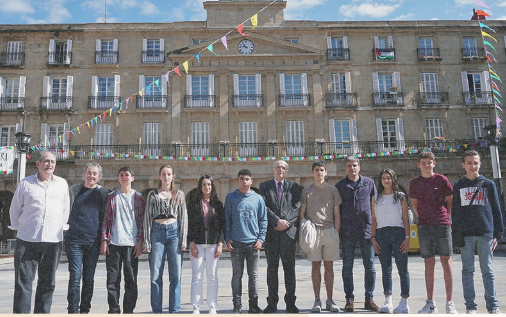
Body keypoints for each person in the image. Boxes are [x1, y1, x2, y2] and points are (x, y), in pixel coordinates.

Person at [9, 150, 70, 313]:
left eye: (52, 162)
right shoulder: (25, 184)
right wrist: (19, 228)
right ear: (38, 164)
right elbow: (14, 210)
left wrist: (59, 228)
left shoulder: (62, 184)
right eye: (46, 161)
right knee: (23, 283)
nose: (49, 165)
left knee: (48, 283)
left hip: (53, 241)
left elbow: (65, 210)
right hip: (27, 240)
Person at [452, 150, 503, 314]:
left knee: (487, 270)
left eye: (475, 162)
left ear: (480, 164)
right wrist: (456, 237)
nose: (472, 166)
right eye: (469, 163)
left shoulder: (488, 184)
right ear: (463, 165)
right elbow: (456, 212)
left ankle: (493, 305)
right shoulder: (458, 186)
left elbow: (497, 210)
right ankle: (470, 307)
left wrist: (498, 234)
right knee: (467, 271)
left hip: (485, 233)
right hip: (466, 234)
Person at [408, 151, 457, 314]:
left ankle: (450, 303)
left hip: (442, 225)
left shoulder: (442, 180)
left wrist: (444, 217)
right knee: (429, 263)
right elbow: (415, 205)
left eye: (429, 162)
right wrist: (424, 216)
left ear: (434, 164)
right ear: (418, 164)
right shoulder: (414, 183)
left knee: (446, 261)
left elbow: (450, 202)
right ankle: (431, 303)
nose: (426, 165)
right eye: (423, 162)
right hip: (424, 226)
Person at [335, 156, 379, 312]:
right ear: (345, 168)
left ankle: (369, 298)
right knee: (347, 266)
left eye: (354, 165)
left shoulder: (369, 184)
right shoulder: (340, 186)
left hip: (366, 230)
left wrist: (374, 229)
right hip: (347, 230)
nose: (352, 168)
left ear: (359, 167)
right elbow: (336, 211)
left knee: (370, 266)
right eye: (349, 166)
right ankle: (349, 299)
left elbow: (374, 208)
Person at [101, 165, 146, 314]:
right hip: (114, 243)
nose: (124, 177)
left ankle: (128, 310)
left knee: (131, 281)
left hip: (131, 244)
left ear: (132, 178)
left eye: (127, 175)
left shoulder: (138, 198)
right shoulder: (112, 197)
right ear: (118, 178)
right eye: (122, 175)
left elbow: (141, 222)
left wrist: (140, 241)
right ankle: (114, 309)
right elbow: (106, 220)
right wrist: (104, 240)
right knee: (112, 281)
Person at [144, 165, 188, 314]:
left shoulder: (179, 194)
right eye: (163, 174)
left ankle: (174, 310)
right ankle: (156, 310)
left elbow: (183, 218)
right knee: (156, 275)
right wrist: (147, 241)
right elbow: (147, 218)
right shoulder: (152, 195)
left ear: (173, 177)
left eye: (169, 174)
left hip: (174, 233)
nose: (166, 177)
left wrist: (183, 240)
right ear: (159, 177)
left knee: (176, 275)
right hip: (157, 233)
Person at [66, 163, 109, 314]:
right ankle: (73, 310)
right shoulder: (73, 191)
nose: (91, 176)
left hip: (93, 242)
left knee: (89, 278)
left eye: (95, 174)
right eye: (89, 173)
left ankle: (85, 310)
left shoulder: (103, 193)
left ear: (99, 177)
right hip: (74, 241)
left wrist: (104, 240)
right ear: (84, 174)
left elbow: (106, 217)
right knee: (75, 277)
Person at [299, 161, 341, 313]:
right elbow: (302, 212)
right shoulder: (307, 190)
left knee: (329, 266)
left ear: (326, 172)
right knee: (315, 266)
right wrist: (305, 228)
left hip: (329, 230)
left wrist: (336, 231)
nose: (319, 172)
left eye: (322, 170)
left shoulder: (333, 190)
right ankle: (317, 300)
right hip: (313, 231)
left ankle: (329, 300)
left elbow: (337, 213)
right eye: (316, 170)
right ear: (312, 172)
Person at [259, 160, 301, 314]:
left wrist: (285, 222)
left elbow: (297, 206)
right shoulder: (264, 186)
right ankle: (272, 303)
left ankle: (291, 303)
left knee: (289, 269)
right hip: (272, 232)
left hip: (288, 234)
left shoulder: (294, 187)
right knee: (272, 270)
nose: (280, 170)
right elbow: (263, 207)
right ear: (273, 170)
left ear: (287, 171)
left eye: (283, 168)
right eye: (277, 167)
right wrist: (276, 221)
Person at [225, 168, 267, 314]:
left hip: (253, 244)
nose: (244, 181)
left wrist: (261, 239)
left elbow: (263, 220)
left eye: (247, 179)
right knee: (237, 275)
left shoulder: (258, 198)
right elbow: (227, 219)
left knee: (253, 275)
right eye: (242, 178)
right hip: (236, 242)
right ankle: (237, 305)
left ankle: (253, 305)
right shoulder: (231, 197)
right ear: (238, 181)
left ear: (251, 181)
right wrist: (228, 238)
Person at [371, 168, 411, 314]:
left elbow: (406, 219)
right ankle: (388, 300)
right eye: (383, 178)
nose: (386, 180)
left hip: (398, 232)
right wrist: (373, 238)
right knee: (385, 269)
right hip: (381, 234)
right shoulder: (376, 197)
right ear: (380, 180)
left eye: (389, 178)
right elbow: (374, 220)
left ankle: (404, 301)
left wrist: (407, 238)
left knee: (402, 269)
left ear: (393, 179)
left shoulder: (401, 196)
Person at [187, 175, 225, 314]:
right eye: (204, 184)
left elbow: (222, 225)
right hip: (197, 243)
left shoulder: (218, 204)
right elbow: (189, 225)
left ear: (212, 186)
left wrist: (220, 243)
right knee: (196, 276)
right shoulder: (193, 204)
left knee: (212, 276)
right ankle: (196, 307)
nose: (206, 187)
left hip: (213, 244)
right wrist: (191, 243)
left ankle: (212, 306)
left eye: (209, 184)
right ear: (200, 186)